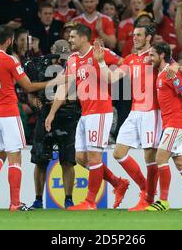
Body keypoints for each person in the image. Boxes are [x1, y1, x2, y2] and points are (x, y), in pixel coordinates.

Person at [0, 24, 57, 211]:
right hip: (8, 112)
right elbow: (28, 87)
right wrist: (53, 82)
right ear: (10, 40)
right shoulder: (10, 60)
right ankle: (15, 203)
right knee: (15, 158)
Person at [45, 24, 129, 211]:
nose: (70, 40)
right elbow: (65, 87)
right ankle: (117, 182)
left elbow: (124, 62)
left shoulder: (100, 52)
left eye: (73, 37)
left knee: (94, 156)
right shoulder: (73, 59)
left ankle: (90, 202)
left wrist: (113, 77)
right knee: (81, 157)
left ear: (84, 38)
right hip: (85, 112)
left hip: (100, 110)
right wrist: (52, 113)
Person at [93, 25, 160, 211]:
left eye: (139, 35)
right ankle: (145, 189)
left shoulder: (155, 57)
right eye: (133, 35)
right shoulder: (130, 59)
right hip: (135, 111)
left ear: (149, 38)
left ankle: (149, 198)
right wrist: (100, 62)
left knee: (149, 156)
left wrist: (175, 69)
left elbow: (175, 66)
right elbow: (111, 78)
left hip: (151, 112)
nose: (135, 37)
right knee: (118, 152)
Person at [146, 42, 182, 212]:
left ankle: (163, 201)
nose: (149, 58)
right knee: (181, 164)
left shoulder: (170, 74)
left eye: (152, 55)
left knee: (160, 158)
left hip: (176, 123)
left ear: (162, 56)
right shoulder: (163, 72)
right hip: (172, 123)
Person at [27, 40, 80, 210]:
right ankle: (37, 200)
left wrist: (57, 104)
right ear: (51, 51)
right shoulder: (37, 66)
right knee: (40, 161)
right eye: (57, 56)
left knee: (67, 161)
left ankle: (69, 200)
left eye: (63, 57)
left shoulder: (73, 66)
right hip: (44, 118)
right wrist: (36, 102)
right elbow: (30, 93)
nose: (59, 60)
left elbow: (74, 96)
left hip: (68, 117)